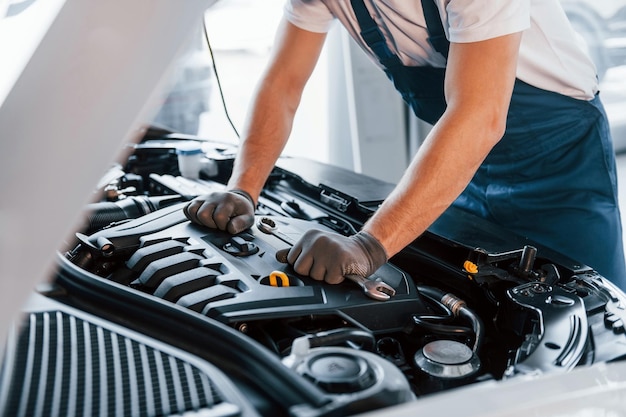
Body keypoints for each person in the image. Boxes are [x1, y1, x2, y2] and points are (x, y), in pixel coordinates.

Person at [184, 0, 626, 290]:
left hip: (559, 161)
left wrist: (368, 245)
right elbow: (283, 84)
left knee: (591, 314)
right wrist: (244, 188)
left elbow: (480, 115)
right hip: (463, 170)